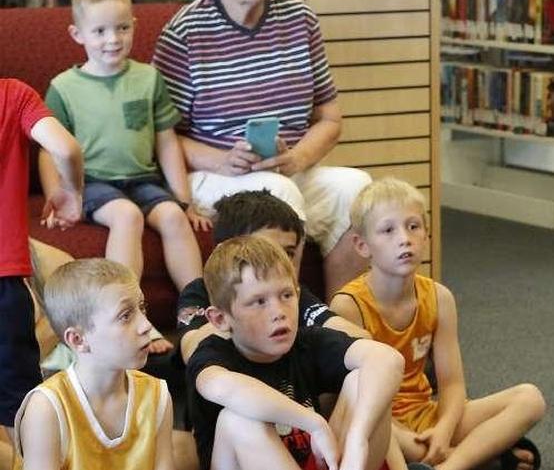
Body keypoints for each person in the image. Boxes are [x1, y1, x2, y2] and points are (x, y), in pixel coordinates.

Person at [151, 0, 371, 297]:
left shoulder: (300, 19)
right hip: (214, 173)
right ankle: (283, 329)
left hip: (287, 167)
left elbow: (329, 118)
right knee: (278, 196)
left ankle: (340, 321)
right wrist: (223, 159)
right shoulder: (186, 32)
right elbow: (162, 134)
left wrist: (300, 157)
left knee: (358, 190)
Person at [331, 178, 546, 470]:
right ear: (362, 245)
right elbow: (345, 399)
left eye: (413, 226)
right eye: (388, 230)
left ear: (427, 235)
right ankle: (480, 455)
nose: (404, 238)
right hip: (384, 425)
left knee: (530, 399)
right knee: (374, 426)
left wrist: (444, 430)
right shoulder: (348, 306)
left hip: (428, 416)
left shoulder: (439, 297)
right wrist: (405, 436)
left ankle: (449, 464)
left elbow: (452, 383)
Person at [41, 0, 206, 301]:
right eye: (100, 31)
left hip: (144, 179)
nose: (113, 40)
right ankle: (125, 309)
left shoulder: (149, 78)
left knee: (173, 216)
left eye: (121, 28)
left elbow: (167, 142)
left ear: (134, 25)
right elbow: (48, 153)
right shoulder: (63, 87)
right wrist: (56, 197)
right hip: (92, 182)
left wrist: (184, 200)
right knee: (126, 215)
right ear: (78, 35)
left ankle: (197, 307)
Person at [187, 235, 405, 470]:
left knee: (365, 380)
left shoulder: (307, 341)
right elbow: (223, 387)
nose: (279, 312)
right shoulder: (212, 354)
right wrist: (314, 423)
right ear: (220, 319)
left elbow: (388, 358)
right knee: (236, 420)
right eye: (259, 301)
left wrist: (357, 439)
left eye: (286, 295)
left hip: (324, 463)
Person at [175, 189, 369, 367]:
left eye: (289, 253)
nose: (279, 261)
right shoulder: (199, 291)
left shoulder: (289, 294)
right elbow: (191, 350)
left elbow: (356, 337)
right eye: (263, 250)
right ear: (223, 252)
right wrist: (248, 319)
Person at [14, 259, 175, 470]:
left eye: (142, 307)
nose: (146, 325)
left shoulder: (156, 394)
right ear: (78, 340)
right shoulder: (46, 408)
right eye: (125, 316)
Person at [0, 78, 83, 445]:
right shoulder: (12, 94)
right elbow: (65, 148)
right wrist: (71, 190)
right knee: (20, 406)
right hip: (3, 285)